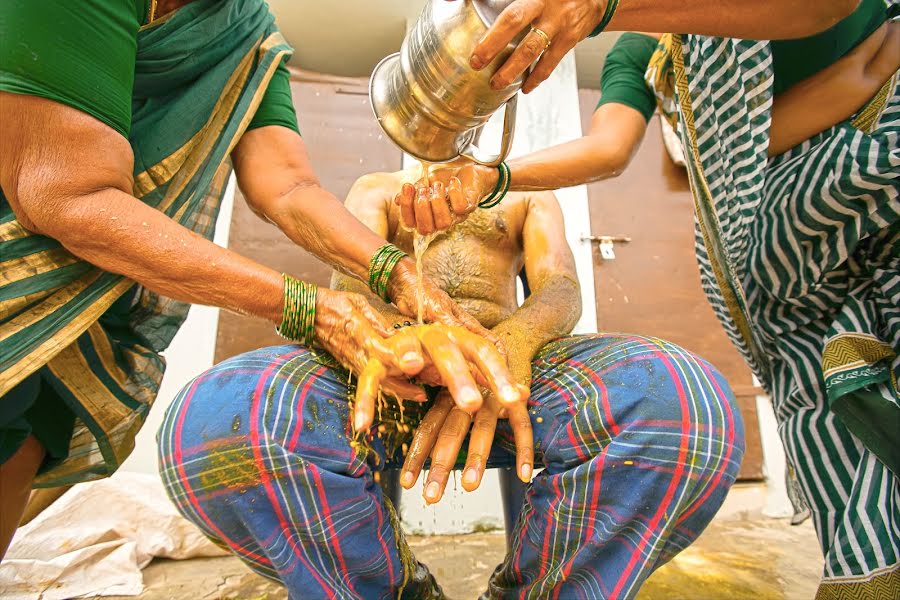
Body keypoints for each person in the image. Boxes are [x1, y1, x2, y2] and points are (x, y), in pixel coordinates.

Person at [403, 0, 900, 596]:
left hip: (861, 180)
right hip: (779, 250)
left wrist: (515, 332)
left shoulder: (531, 205)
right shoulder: (647, 47)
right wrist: (492, 178)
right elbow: (611, 148)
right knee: (835, 401)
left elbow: (560, 289)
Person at [0, 0, 525, 558]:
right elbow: (67, 193)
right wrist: (321, 311)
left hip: (92, 304)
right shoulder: (378, 189)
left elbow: (288, 188)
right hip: (28, 255)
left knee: (31, 423)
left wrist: (400, 275)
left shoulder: (247, 30)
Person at [157, 164, 745, 598]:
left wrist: (504, 348)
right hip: (393, 372)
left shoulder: (525, 193)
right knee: (211, 423)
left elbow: (560, 289)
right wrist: (405, 345)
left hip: (515, 373)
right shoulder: (378, 188)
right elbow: (352, 286)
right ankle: (392, 589)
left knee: (684, 403)